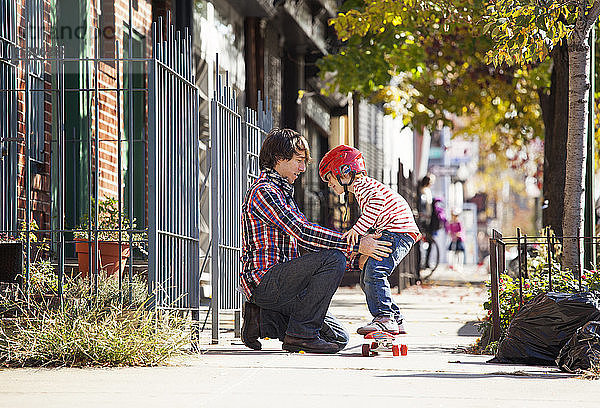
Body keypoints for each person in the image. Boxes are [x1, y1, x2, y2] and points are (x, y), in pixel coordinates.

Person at [240, 128, 393, 354]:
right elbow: (302, 231)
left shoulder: (284, 193)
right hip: (266, 280)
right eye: (298, 161)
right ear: (278, 159)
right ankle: (300, 335)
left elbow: (307, 243)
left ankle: (262, 317)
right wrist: (355, 243)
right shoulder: (265, 191)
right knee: (333, 259)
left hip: (287, 284)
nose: (302, 168)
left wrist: (355, 260)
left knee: (338, 338)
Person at [318, 145, 421, 335]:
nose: (329, 184)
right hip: (394, 231)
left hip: (396, 230)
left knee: (375, 273)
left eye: (330, 178)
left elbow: (376, 204)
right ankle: (395, 318)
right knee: (367, 279)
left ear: (344, 172)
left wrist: (357, 230)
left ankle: (384, 318)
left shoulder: (363, 185)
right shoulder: (362, 188)